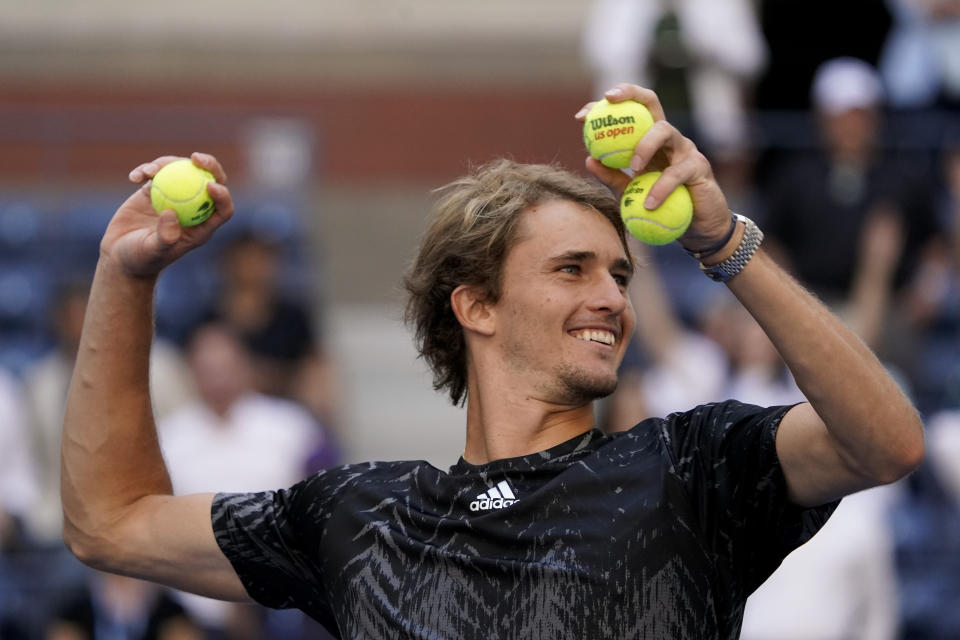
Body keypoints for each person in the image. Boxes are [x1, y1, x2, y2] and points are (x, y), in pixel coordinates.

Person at [60, 85, 924, 639]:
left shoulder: (689, 467)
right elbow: (109, 523)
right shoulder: (360, 517)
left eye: (619, 274)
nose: (614, 299)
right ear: (474, 306)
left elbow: (883, 443)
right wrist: (124, 275)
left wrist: (723, 242)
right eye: (572, 269)